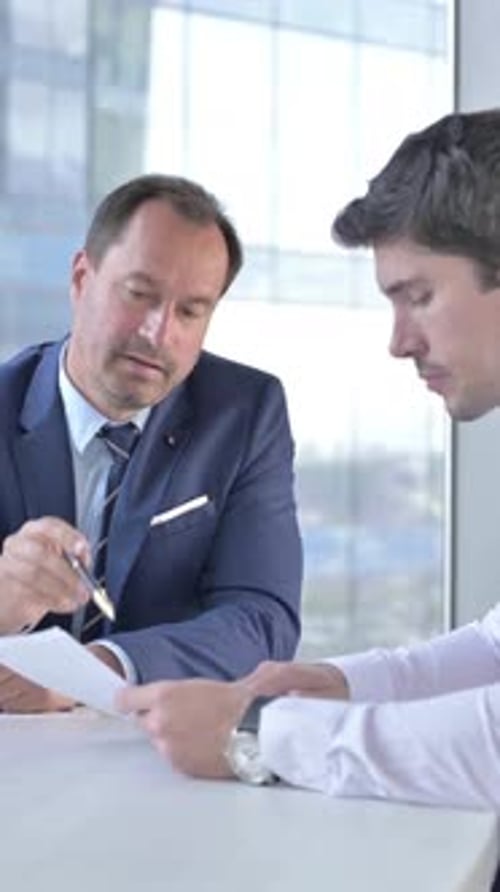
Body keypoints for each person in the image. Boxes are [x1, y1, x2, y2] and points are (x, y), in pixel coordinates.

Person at [118, 109, 500, 816]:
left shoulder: (242, 411)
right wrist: (336, 683)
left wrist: (264, 735)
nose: (399, 341)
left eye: (420, 295)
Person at [0, 173, 302, 712]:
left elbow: (263, 618)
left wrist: (98, 673)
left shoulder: (244, 413)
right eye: (139, 295)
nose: (159, 334)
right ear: (80, 278)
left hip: (162, 753)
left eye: (191, 311)